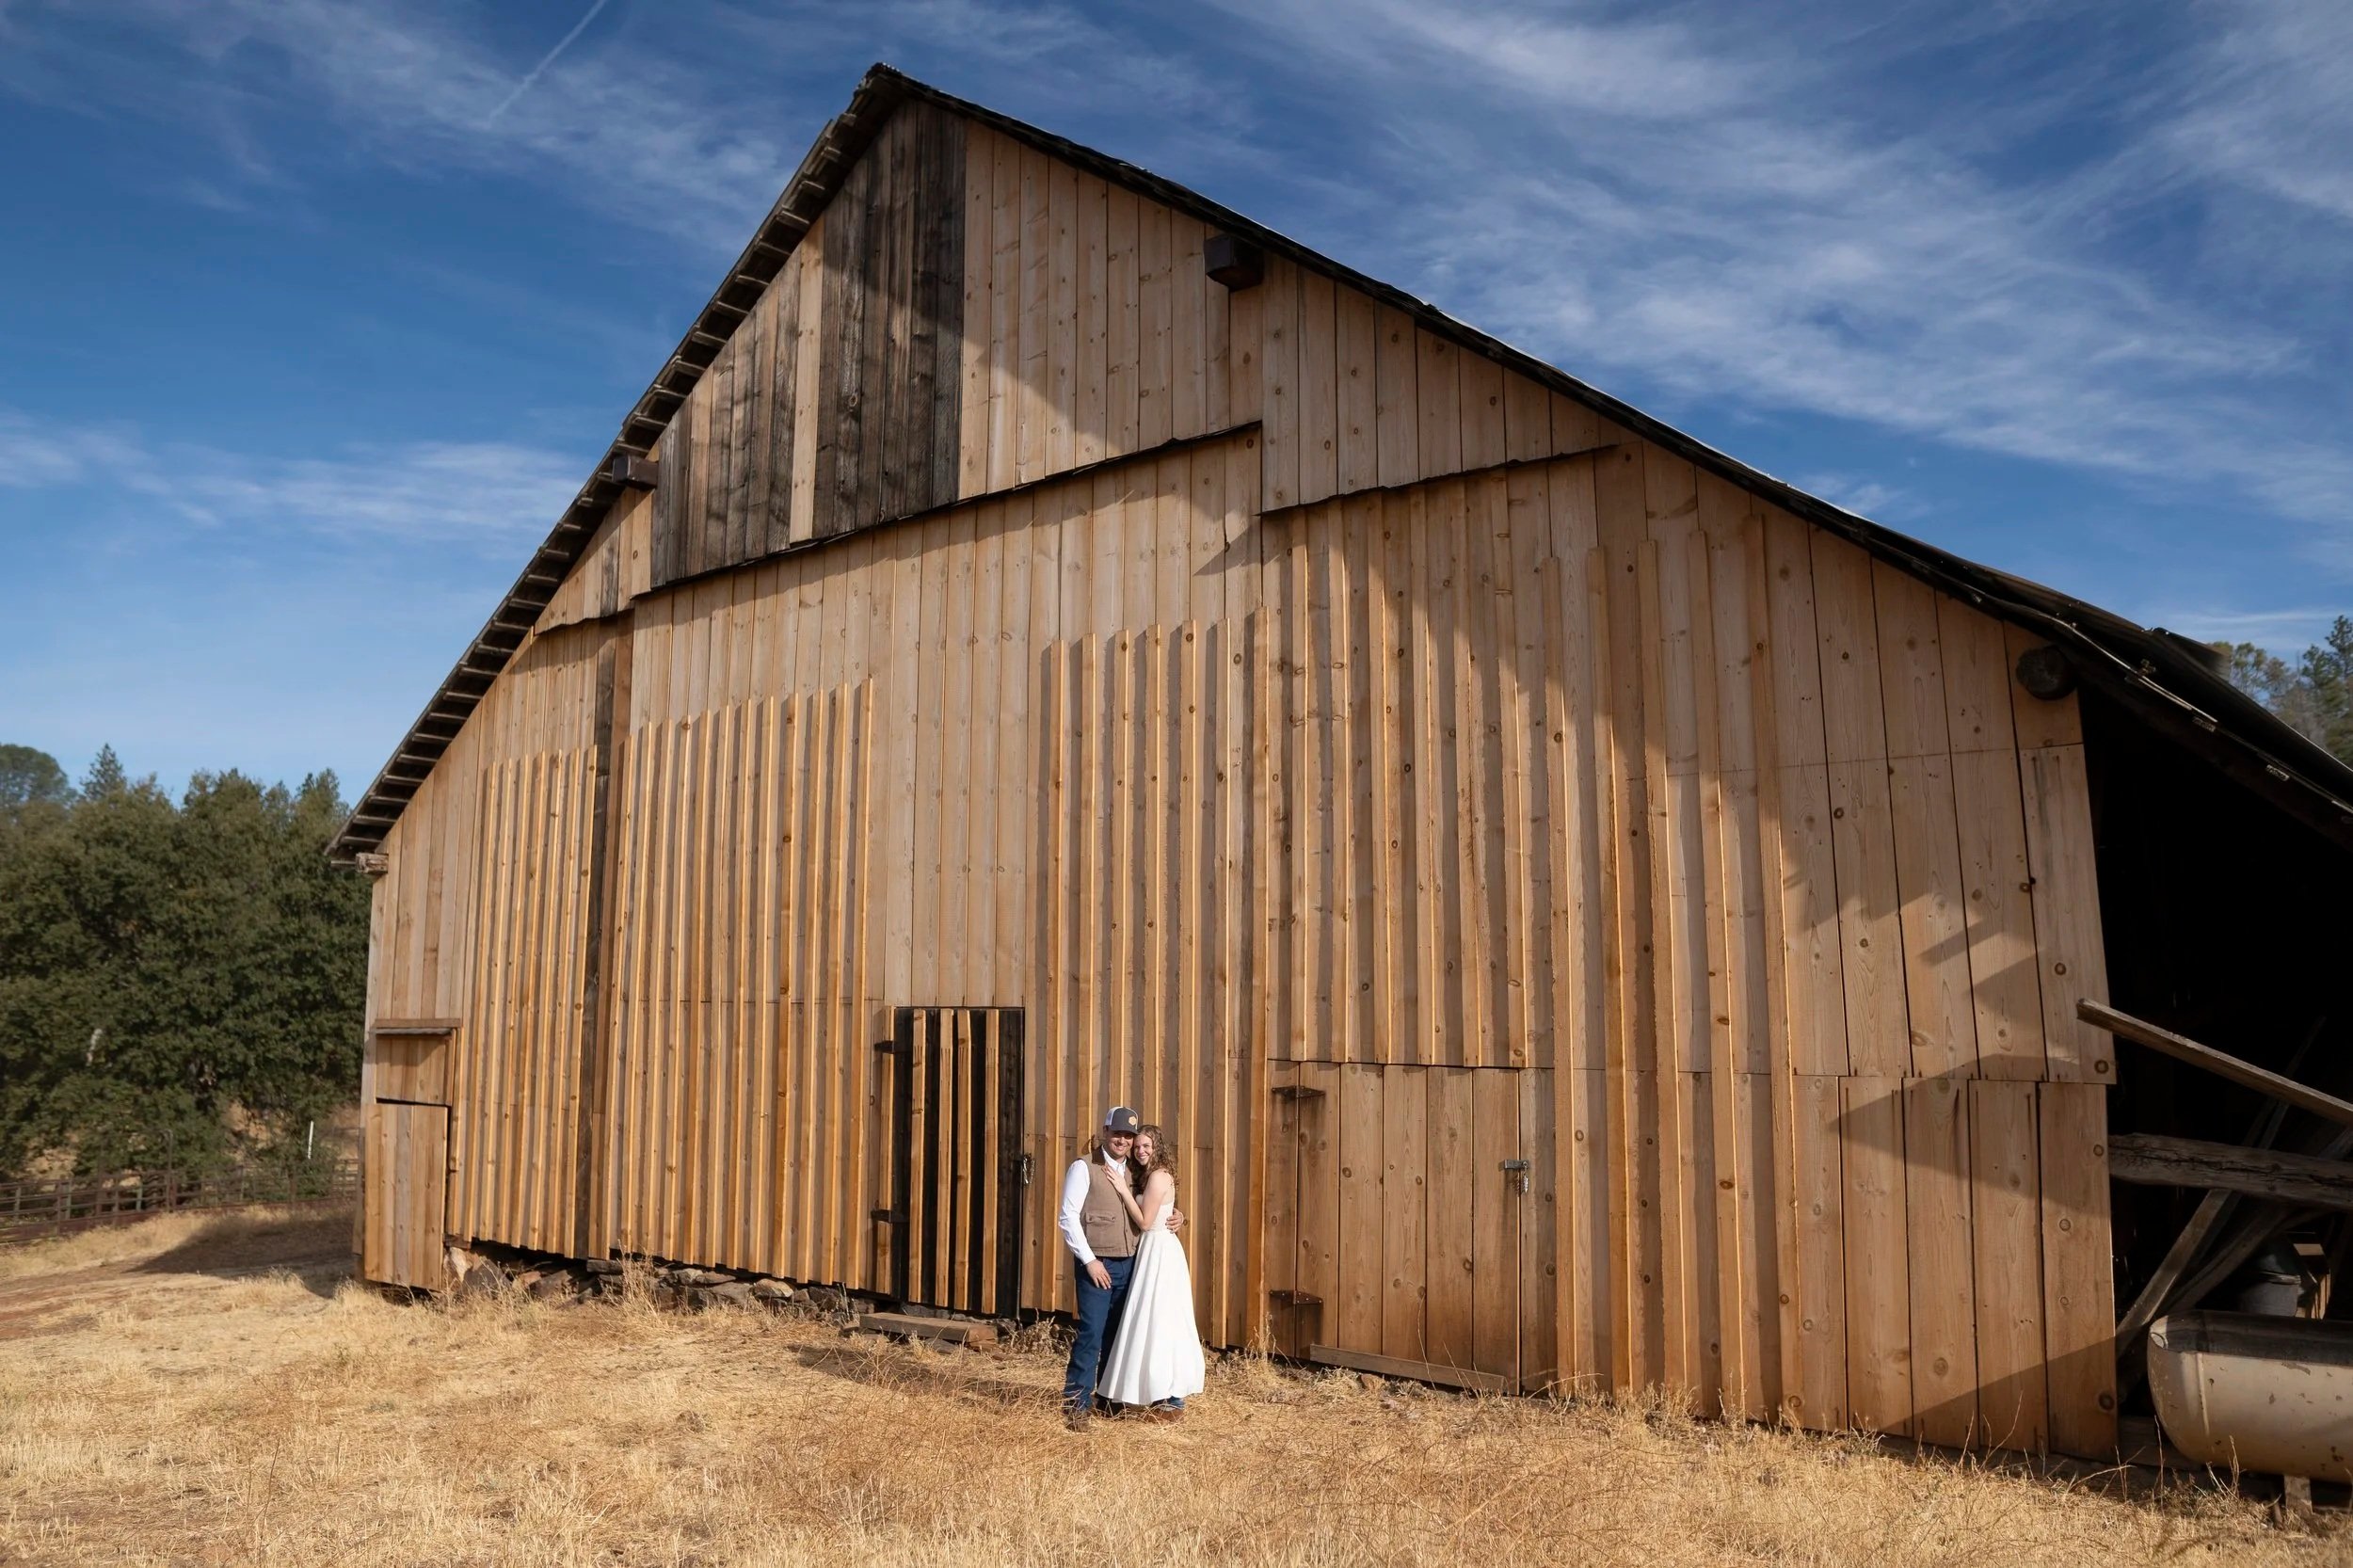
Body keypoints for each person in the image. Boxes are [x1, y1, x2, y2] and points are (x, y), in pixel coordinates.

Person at [1095, 1124, 1206, 1420]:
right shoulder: (1146, 1175)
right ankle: (1154, 1393)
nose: (1141, 1151)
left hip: (1160, 1254)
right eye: (1138, 1146)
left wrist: (1121, 1188)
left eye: (1147, 1146)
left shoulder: (1159, 1176)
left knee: (1163, 1322)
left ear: (1157, 1148)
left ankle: (1173, 1400)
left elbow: (1145, 1222)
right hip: (1149, 1253)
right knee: (1149, 1323)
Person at [1058, 1105, 1144, 1430]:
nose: (1122, 1140)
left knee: (1117, 1334)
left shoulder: (1136, 1170)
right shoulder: (1084, 1167)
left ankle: (1108, 1399)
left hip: (1130, 1261)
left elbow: (1153, 1206)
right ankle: (1076, 1403)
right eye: (1117, 1133)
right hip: (1099, 1263)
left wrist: (1179, 1217)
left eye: (1128, 1135)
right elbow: (1068, 1217)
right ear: (1105, 1132)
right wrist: (1090, 1260)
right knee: (1092, 1333)